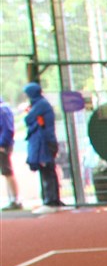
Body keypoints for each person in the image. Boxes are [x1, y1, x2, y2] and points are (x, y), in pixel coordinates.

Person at [21, 82, 62, 210]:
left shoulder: (40, 105)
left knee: (47, 170)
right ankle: (52, 198)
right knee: (48, 170)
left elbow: (28, 119)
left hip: (44, 142)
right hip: (46, 140)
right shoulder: (41, 104)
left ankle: (50, 199)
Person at [0, 92, 20, 210]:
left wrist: (2, 144)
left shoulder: (3, 110)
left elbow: (7, 129)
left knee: (7, 171)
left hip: (3, 146)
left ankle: (14, 199)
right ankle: (12, 199)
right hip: (3, 144)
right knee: (6, 172)